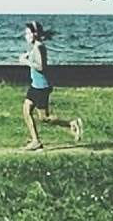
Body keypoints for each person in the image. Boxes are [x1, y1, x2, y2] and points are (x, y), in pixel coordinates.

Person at [20, 20, 81, 150]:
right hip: (35, 85)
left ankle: (71, 123)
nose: (25, 36)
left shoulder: (39, 47)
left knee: (45, 118)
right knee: (26, 110)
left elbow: (41, 67)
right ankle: (36, 141)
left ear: (35, 34)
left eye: (28, 33)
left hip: (41, 87)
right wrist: (28, 56)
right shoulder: (35, 47)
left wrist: (26, 62)